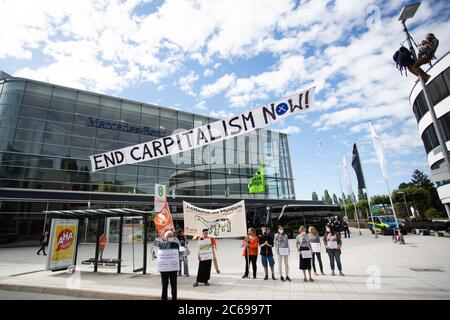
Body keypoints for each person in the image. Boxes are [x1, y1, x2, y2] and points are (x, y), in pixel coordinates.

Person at [158, 230, 179, 300]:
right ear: (166, 237)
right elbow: (160, 256)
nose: (171, 237)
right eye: (169, 236)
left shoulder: (176, 245)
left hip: (173, 269)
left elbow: (177, 255)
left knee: (174, 285)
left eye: (172, 236)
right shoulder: (162, 245)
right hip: (164, 269)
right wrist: (160, 267)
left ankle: (174, 298)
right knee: (164, 285)